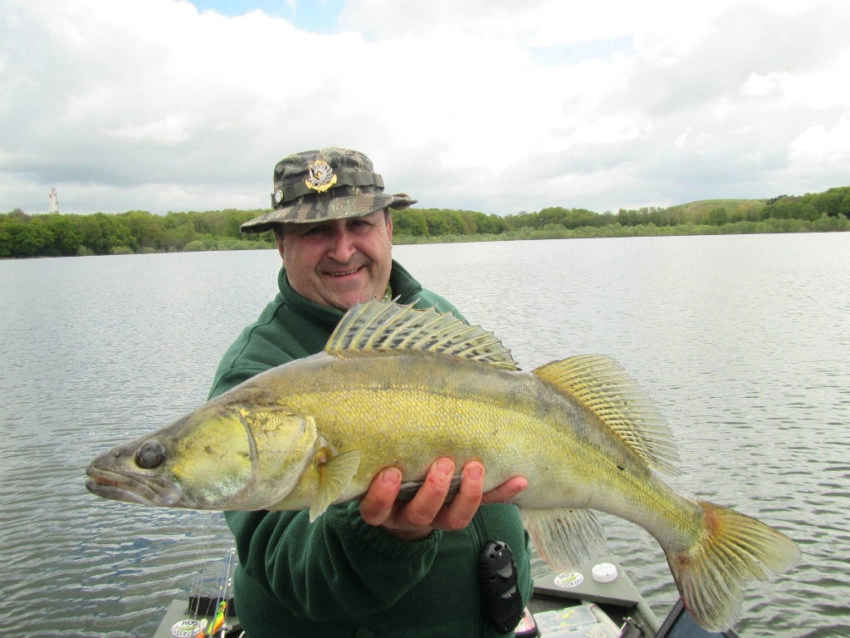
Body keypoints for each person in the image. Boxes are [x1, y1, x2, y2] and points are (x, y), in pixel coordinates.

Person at [208, 147, 532, 637]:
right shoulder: (255, 375)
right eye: (316, 231)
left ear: (388, 228)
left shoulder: (433, 316)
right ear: (280, 244)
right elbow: (285, 563)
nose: (342, 250)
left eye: (360, 224)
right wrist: (386, 534)